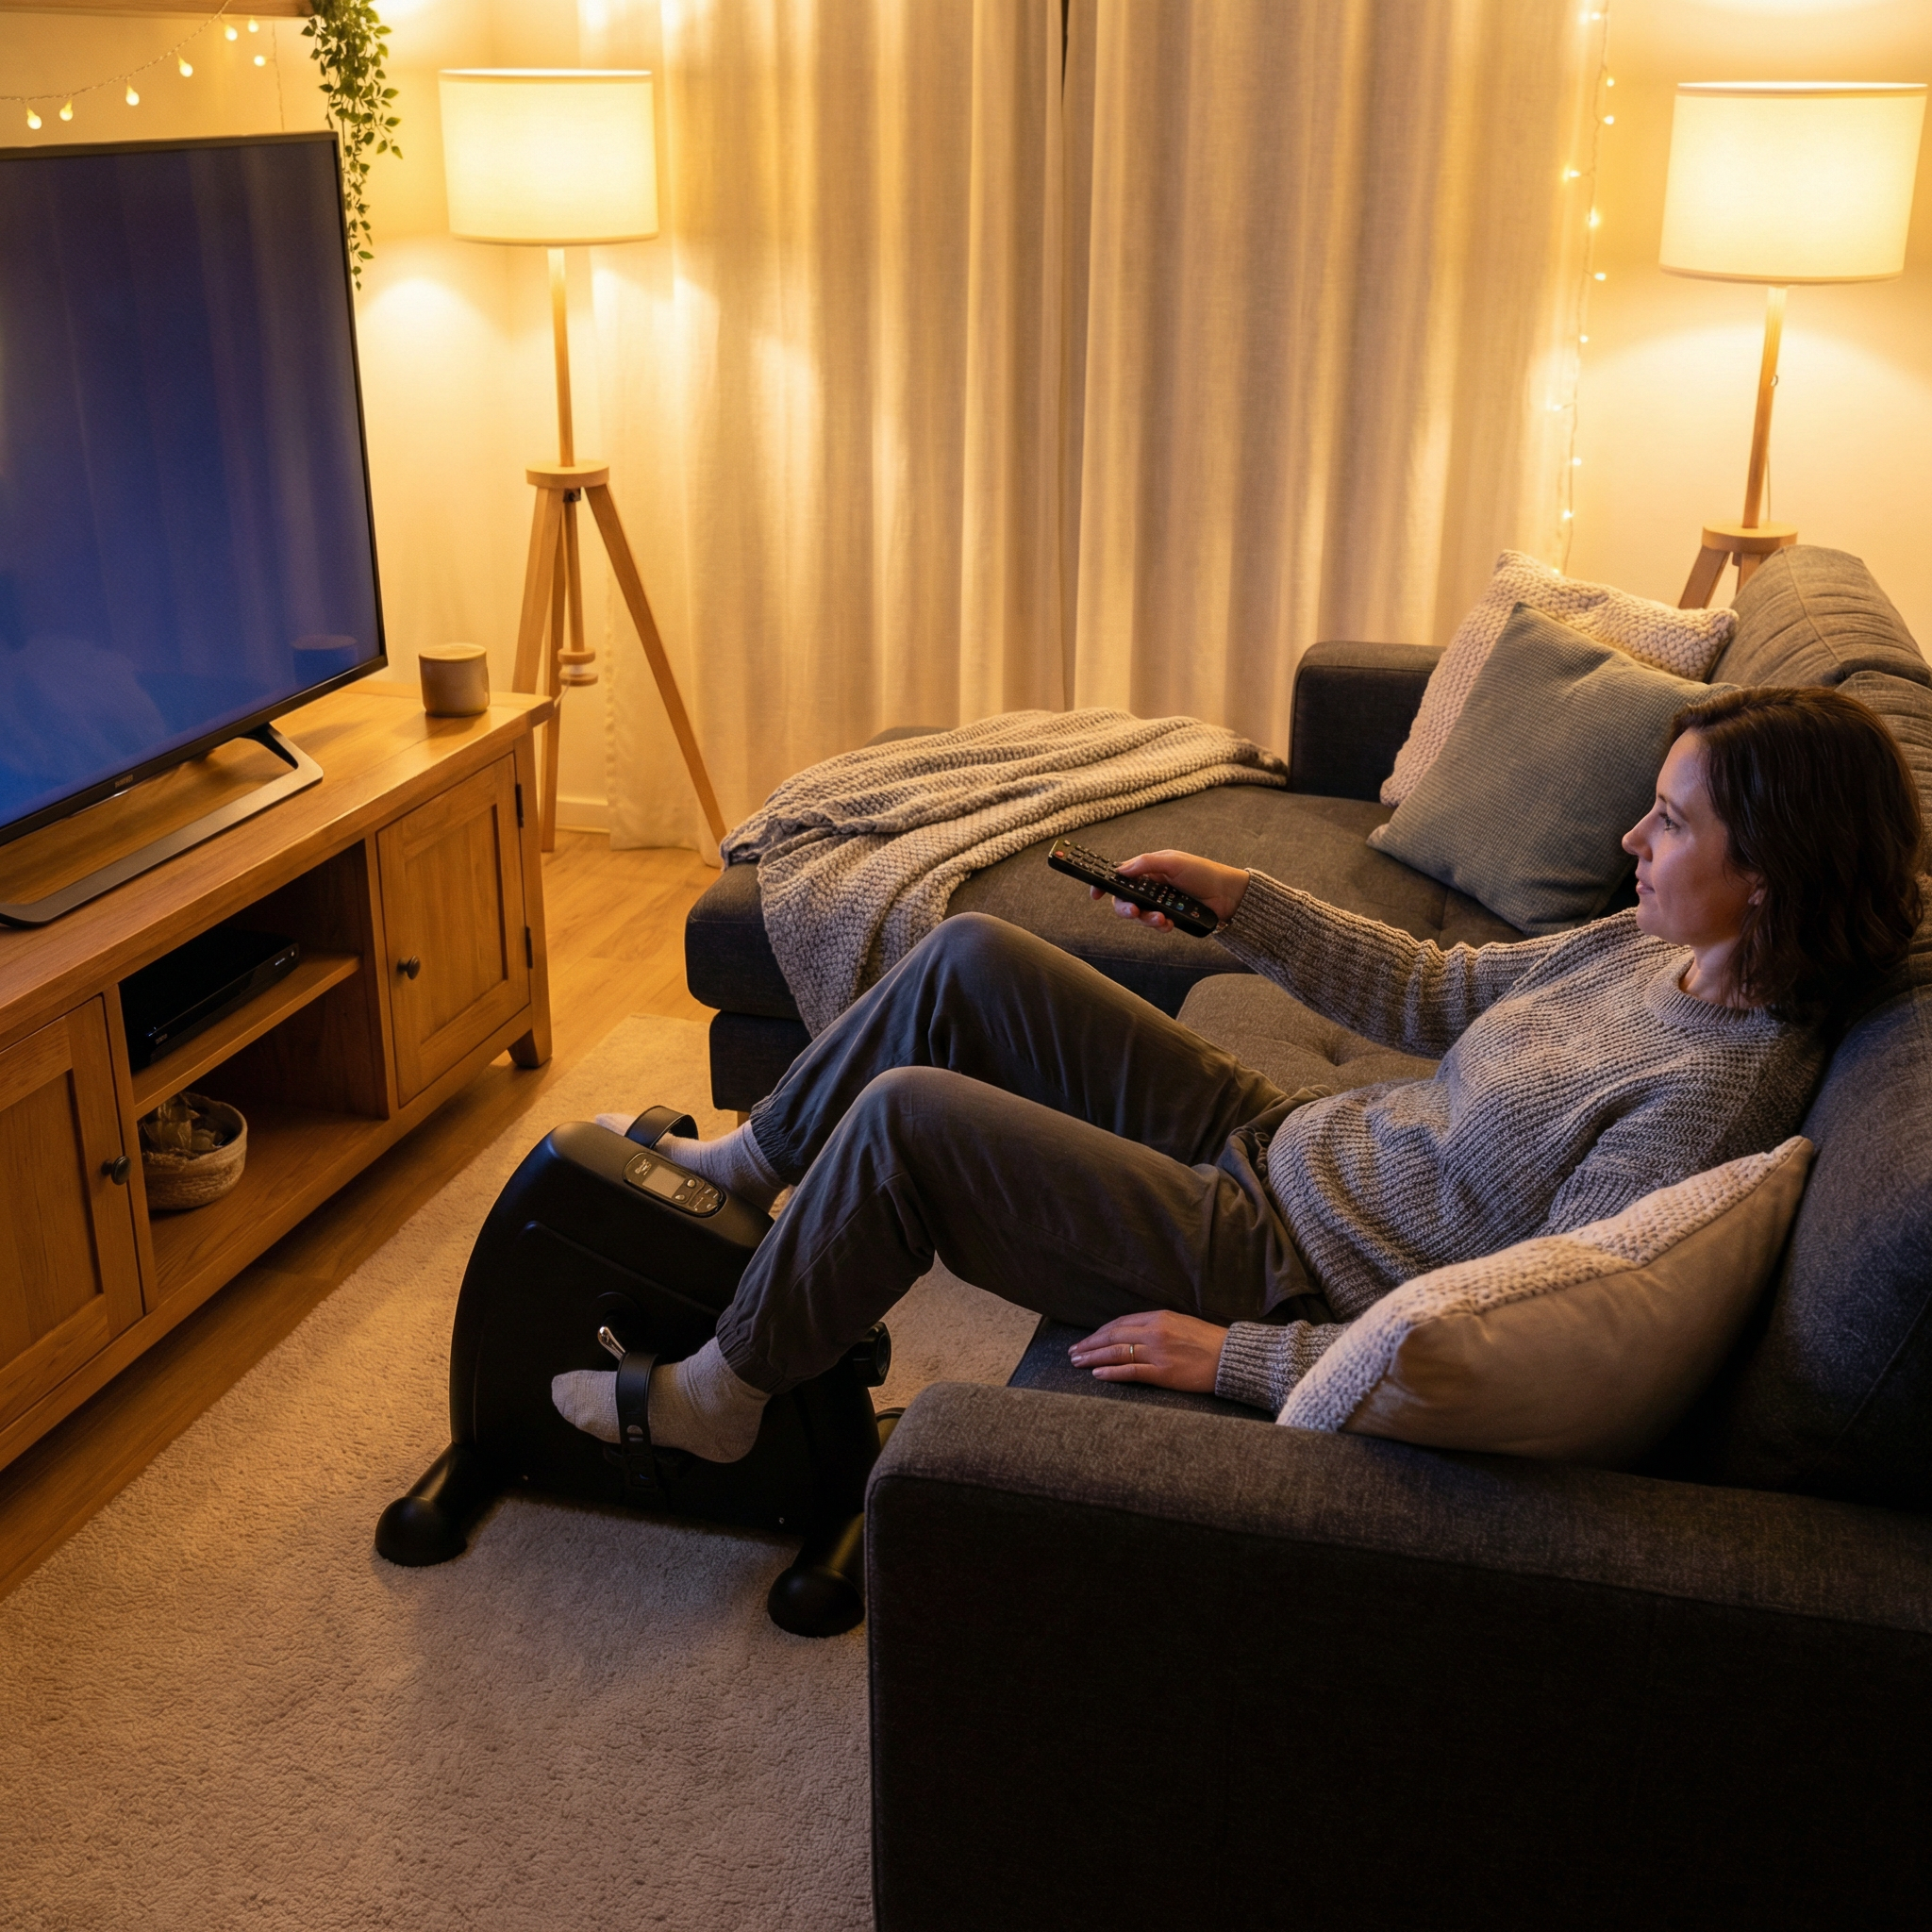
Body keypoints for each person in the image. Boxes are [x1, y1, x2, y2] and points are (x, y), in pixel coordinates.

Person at [554, 685, 1924, 1461]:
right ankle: (758, 1157)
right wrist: (1238, 899)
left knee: (915, 1125)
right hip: (1293, 1140)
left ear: (1772, 876)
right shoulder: (1652, 947)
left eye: (1671, 821)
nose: (1634, 836)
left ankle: (720, 1399)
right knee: (972, 954)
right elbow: (1437, 990)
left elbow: (1510, 1323)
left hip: (1278, 1262)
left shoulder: (1713, 1099)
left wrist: (1243, 1360)